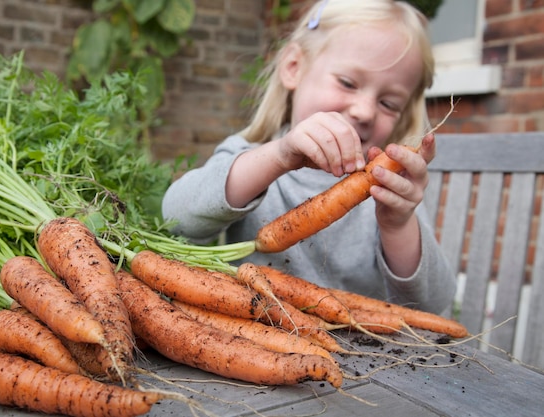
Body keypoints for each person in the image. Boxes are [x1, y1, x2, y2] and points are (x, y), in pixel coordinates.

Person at [162, 0, 456, 314]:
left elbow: (433, 304)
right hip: (259, 338)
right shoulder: (251, 154)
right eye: (347, 83)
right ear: (294, 68)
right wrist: (278, 156)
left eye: (388, 103)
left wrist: (398, 225)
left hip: (359, 348)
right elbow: (176, 217)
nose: (365, 111)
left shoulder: (388, 191)